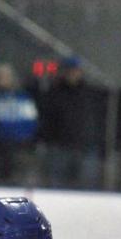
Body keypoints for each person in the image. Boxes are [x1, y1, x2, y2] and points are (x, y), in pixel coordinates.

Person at [39, 55, 103, 190]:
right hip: (59, 147)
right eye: (69, 70)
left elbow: (96, 119)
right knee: (57, 186)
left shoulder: (89, 93)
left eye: (75, 70)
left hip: (85, 147)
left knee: (86, 187)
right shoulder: (54, 93)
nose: (72, 74)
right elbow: (47, 119)